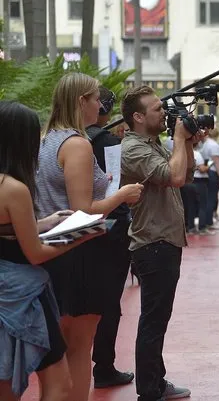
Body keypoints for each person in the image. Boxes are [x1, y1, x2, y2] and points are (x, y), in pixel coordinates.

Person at [35, 73, 143, 401]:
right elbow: (85, 211)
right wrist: (121, 194)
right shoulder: (77, 145)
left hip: (50, 251)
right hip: (80, 252)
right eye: (96, 98)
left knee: (58, 352)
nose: (101, 104)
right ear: (81, 102)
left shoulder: (44, 140)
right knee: (81, 347)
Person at [0, 101, 100, 401]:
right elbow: (36, 254)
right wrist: (80, 236)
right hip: (23, 294)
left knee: (7, 385)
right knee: (58, 384)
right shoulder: (14, 188)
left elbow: (7, 230)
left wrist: (43, 222)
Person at [120, 85, 204, 401]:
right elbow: (175, 177)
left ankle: (157, 382)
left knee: (158, 318)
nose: (165, 113)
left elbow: (187, 171)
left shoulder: (152, 143)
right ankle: (148, 392)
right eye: (157, 109)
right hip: (153, 244)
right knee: (153, 321)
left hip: (164, 241)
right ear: (138, 117)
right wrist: (180, 139)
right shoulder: (134, 149)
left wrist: (189, 144)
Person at [85, 86, 136, 388]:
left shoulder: (65, 140)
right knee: (109, 302)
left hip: (74, 226)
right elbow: (116, 183)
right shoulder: (106, 142)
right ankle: (103, 366)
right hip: (111, 226)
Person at [200, 128, 219, 230]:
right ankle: (209, 222)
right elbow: (217, 162)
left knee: (209, 197)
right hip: (213, 173)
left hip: (209, 173)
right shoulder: (214, 145)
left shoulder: (206, 143)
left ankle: (208, 220)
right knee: (212, 198)